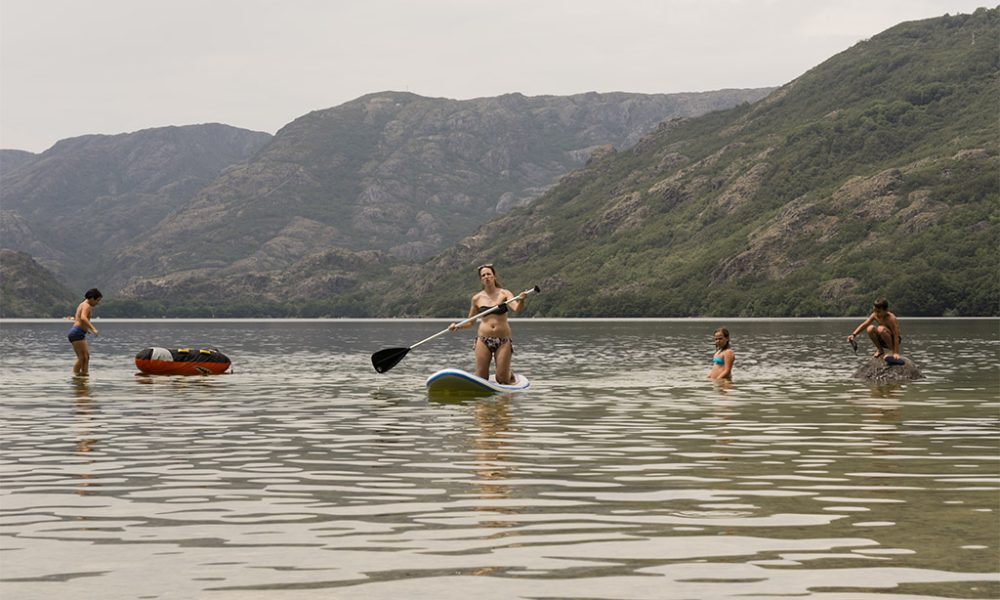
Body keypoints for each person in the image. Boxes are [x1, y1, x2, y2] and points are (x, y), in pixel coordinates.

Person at [448, 264, 532, 384]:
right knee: (481, 378)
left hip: (503, 340)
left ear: (494, 277)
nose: (486, 277)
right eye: (483, 275)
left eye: (489, 274)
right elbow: (470, 322)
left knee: (502, 379)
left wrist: (522, 300)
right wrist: (457, 326)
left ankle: (508, 373)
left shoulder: (504, 294)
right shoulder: (476, 298)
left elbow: (517, 308)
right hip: (483, 339)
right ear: (481, 280)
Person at [68, 288, 102, 375]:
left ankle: (84, 376)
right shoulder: (86, 305)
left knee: (86, 357)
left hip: (79, 332)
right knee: (81, 358)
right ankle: (75, 377)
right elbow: (83, 317)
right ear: (91, 298)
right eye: (97, 300)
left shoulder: (83, 304)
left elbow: (78, 319)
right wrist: (93, 329)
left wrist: (86, 330)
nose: (98, 303)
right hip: (76, 333)